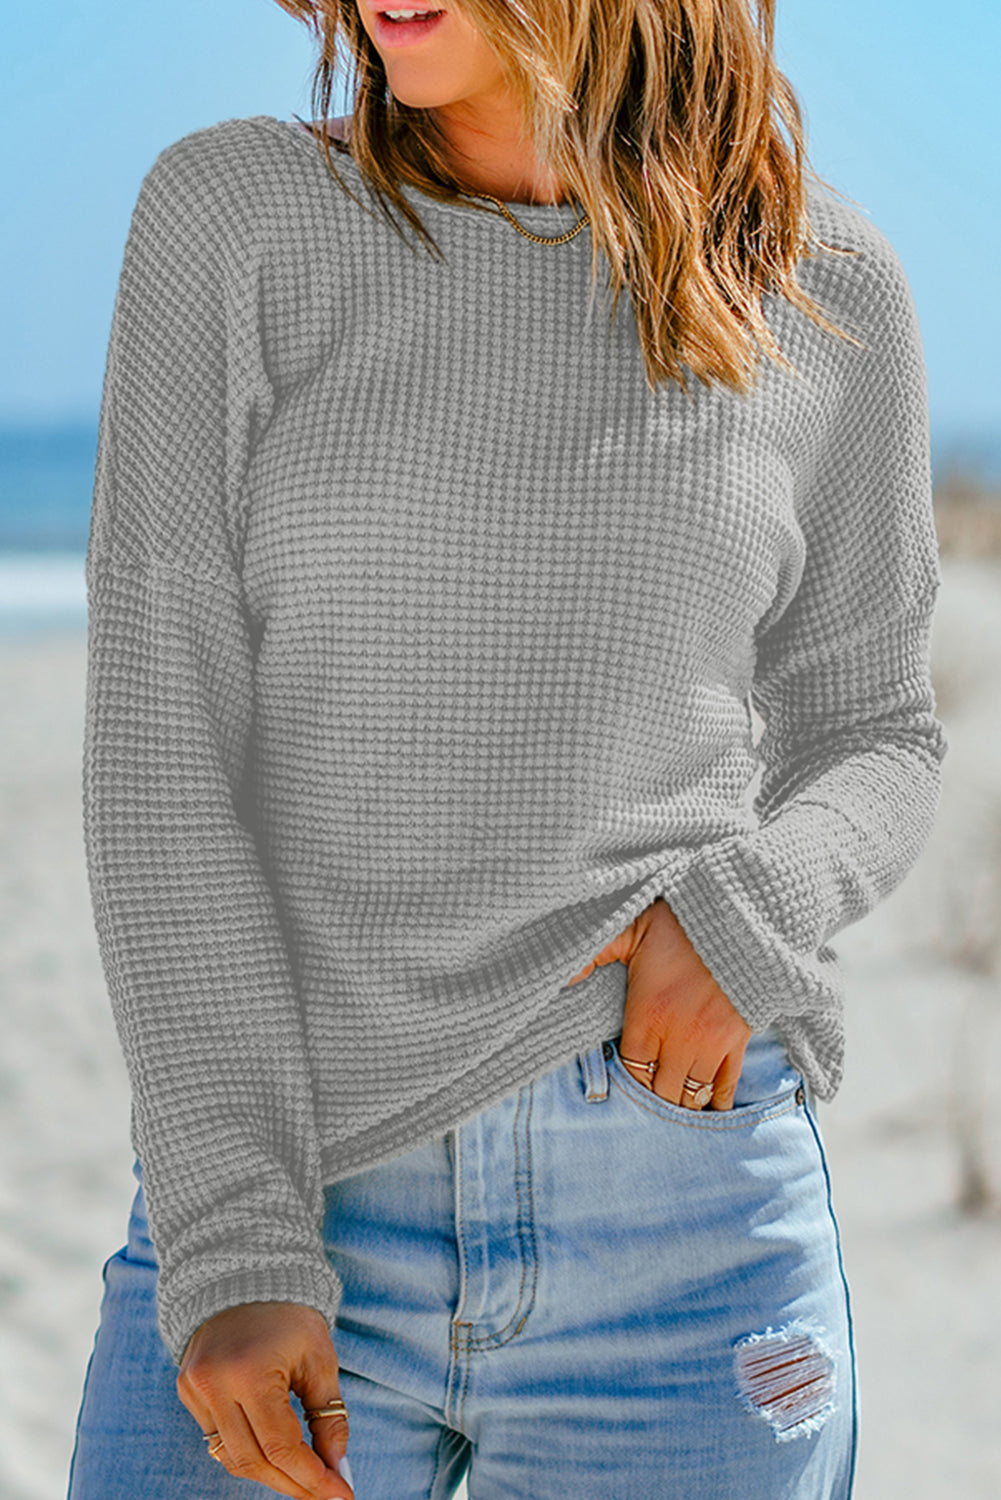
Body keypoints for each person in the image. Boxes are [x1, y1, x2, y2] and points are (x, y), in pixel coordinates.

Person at [65, 0, 948, 1496]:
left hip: (687, 1222)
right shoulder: (237, 215)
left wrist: (749, 915)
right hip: (300, 1193)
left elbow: (874, 732)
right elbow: (161, 754)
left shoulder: (819, 281)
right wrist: (234, 1233)